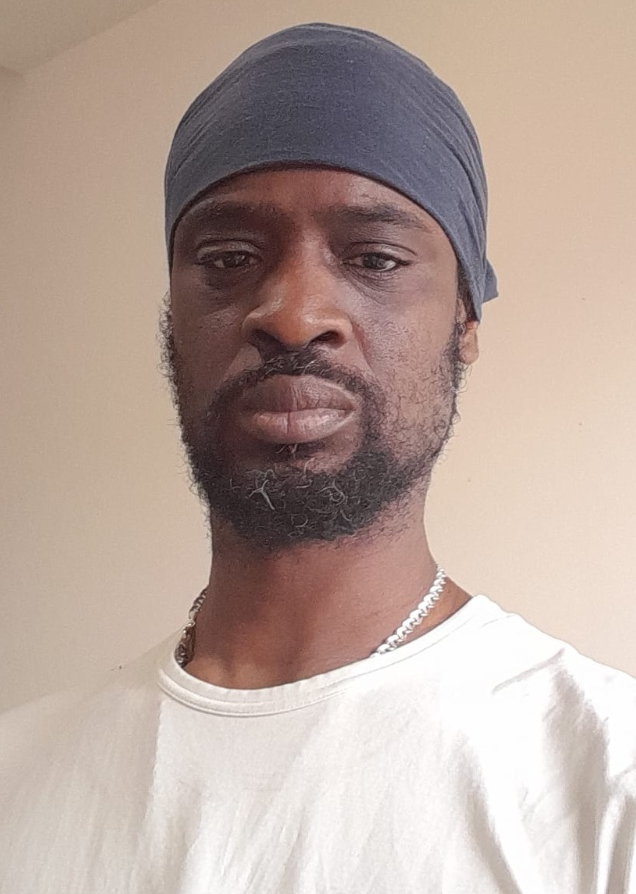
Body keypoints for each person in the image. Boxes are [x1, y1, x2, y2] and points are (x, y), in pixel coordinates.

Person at [1, 22, 634, 894]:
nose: (294, 315)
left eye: (374, 257)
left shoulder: (604, 784)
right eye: (228, 259)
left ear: (465, 324)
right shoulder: (18, 776)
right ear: (172, 326)